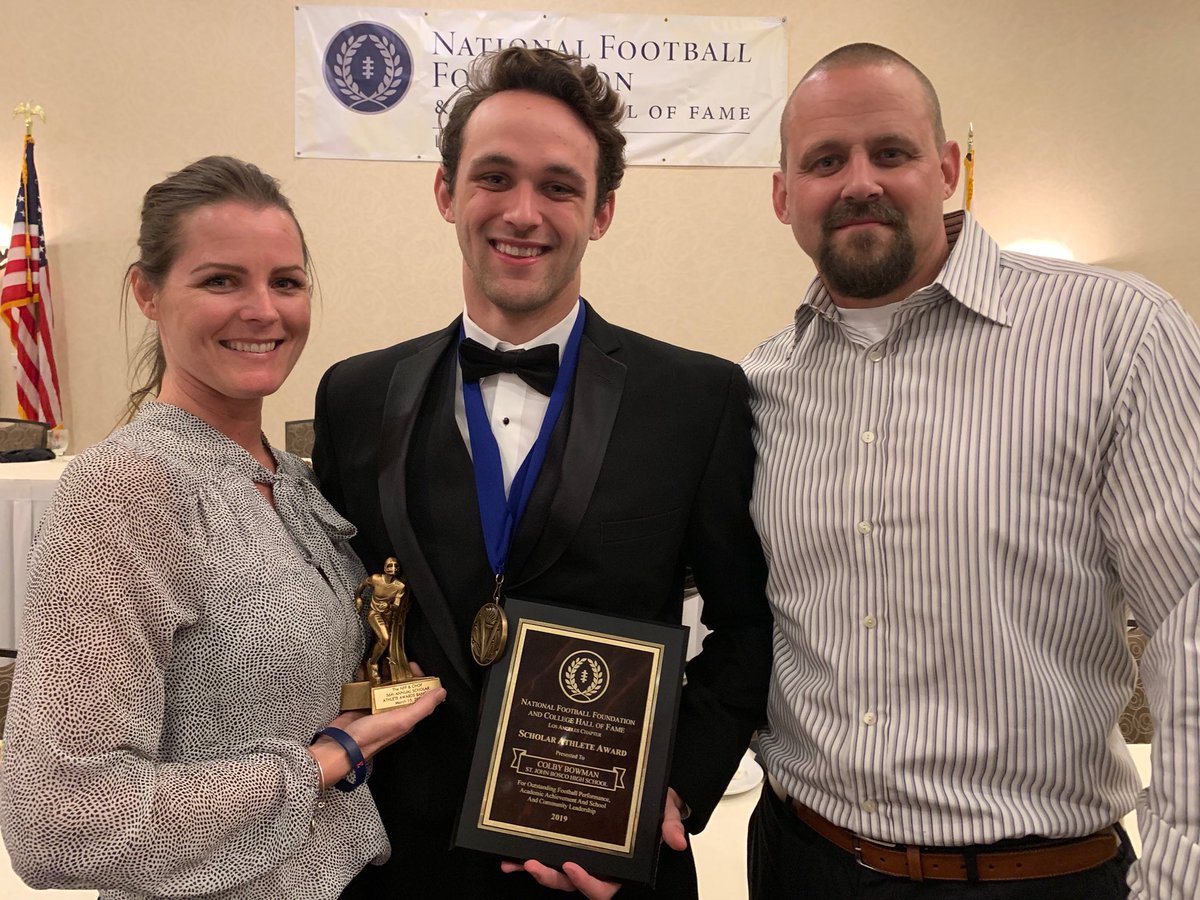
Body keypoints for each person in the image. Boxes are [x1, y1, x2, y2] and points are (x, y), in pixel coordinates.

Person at [742, 42, 1200, 899]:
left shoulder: (1114, 335)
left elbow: (1189, 622)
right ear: (783, 196)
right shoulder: (762, 384)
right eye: (825, 161)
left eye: (892, 152)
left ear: (947, 167)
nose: (859, 183)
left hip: (1036, 874)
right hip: (802, 861)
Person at [313, 47, 772, 899]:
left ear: (600, 212)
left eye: (560, 186)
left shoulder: (698, 398)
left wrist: (667, 791)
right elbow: (335, 617)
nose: (524, 212)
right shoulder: (354, 394)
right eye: (495, 177)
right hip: (398, 863)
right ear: (447, 192)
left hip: (603, 866)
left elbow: (748, 631)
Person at [0, 156, 446, 899]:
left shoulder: (291, 479)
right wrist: (327, 758)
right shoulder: (128, 488)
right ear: (147, 292)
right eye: (220, 280)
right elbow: (57, 820)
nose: (263, 310)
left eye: (286, 281)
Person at [356, 557, 414, 683]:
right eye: (389, 565)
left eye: (396, 566)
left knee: (382, 643)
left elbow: (396, 605)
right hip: (374, 613)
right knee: (384, 639)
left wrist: (390, 606)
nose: (393, 569)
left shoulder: (400, 586)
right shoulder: (376, 579)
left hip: (388, 616)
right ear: (384, 567)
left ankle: (378, 671)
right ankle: (372, 663)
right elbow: (362, 584)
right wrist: (358, 598)